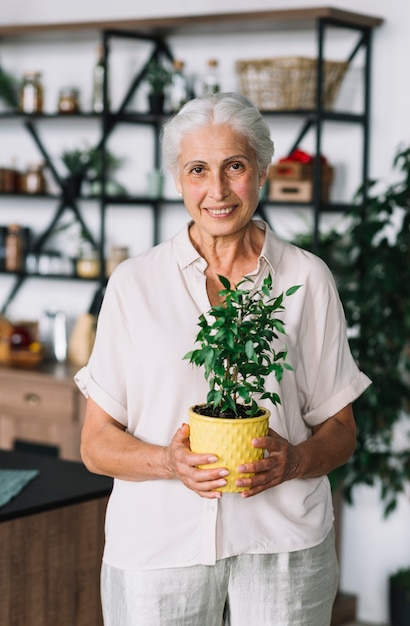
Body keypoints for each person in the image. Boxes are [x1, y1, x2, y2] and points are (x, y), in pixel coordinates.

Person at [75, 92, 371, 626]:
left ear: (260, 172)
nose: (217, 190)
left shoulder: (307, 279)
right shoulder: (133, 285)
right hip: (158, 550)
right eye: (197, 169)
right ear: (177, 179)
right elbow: (96, 445)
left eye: (234, 166)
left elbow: (342, 429)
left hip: (282, 547)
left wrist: (295, 461)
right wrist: (167, 462)